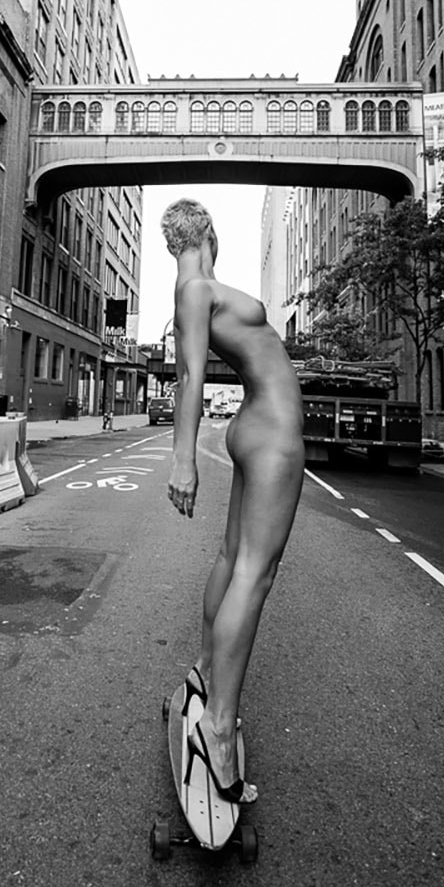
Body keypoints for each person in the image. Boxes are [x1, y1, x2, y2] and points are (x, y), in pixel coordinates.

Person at [162, 197, 304, 803]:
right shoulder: (197, 290)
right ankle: (218, 728)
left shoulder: (197, 290)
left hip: (254, 424)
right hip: (271, 432)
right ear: (209, 234)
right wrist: (183, 458)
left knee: (231, 557)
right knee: (255, 572)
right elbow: (189, 377)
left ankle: (203, 671)